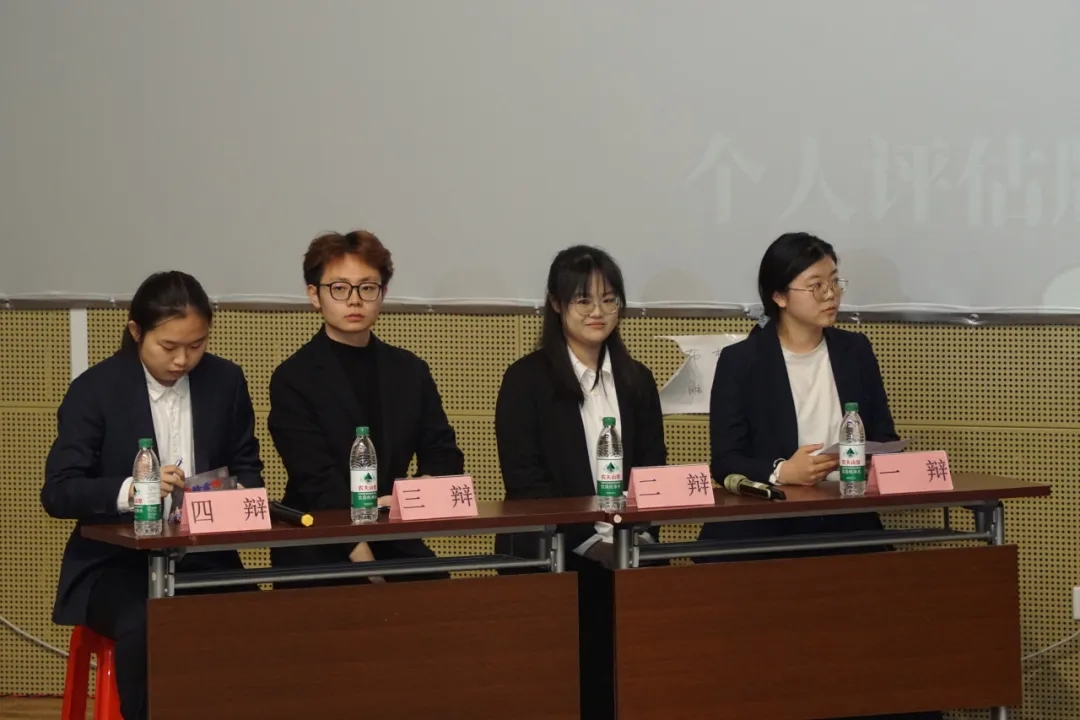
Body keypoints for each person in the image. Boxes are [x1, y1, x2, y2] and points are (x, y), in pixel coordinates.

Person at [700, 232, 940, 720]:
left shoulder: (855, 351)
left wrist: (870, 460)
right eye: (816, 285)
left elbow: (884, 435)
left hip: (845, 520)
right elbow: (724, 459)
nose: (831, 295)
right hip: (767, 530)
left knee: (892, 640)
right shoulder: (741, 361)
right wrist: (781, 471)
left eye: (835, 282)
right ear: (779, 295)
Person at [41, 271, 264, 720]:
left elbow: (248, 470)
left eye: (196, 345)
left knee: (262, 619)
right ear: (136, 332)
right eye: (169, 346)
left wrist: (238, 494)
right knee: (149, 625)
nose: (183, 360)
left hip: (204, 558)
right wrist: (133, 490)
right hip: (116, 565)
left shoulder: (225, 381)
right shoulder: (96, 390)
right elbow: (59, 491)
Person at [494, 244, 666, 720]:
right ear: (556, 304)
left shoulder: (637, 380)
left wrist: (636, 541)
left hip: (631, 555)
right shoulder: (525, 381)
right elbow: (526, 482)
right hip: (556, 559)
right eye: (583, 300)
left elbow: (653, 469)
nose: (598, 312)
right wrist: (593, 544)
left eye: (609, 300)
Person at [268, 230, 463, 581]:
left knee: (439, 592)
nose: (355, 300)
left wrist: (413, 496)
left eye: (367, 288)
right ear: (314, 295)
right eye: (339, 288)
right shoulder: (293, 377)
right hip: (318, 536)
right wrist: (366, 561)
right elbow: (316, 480)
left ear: (382, 293)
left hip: (390, 530)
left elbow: (444, 455)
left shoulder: (409, 371)